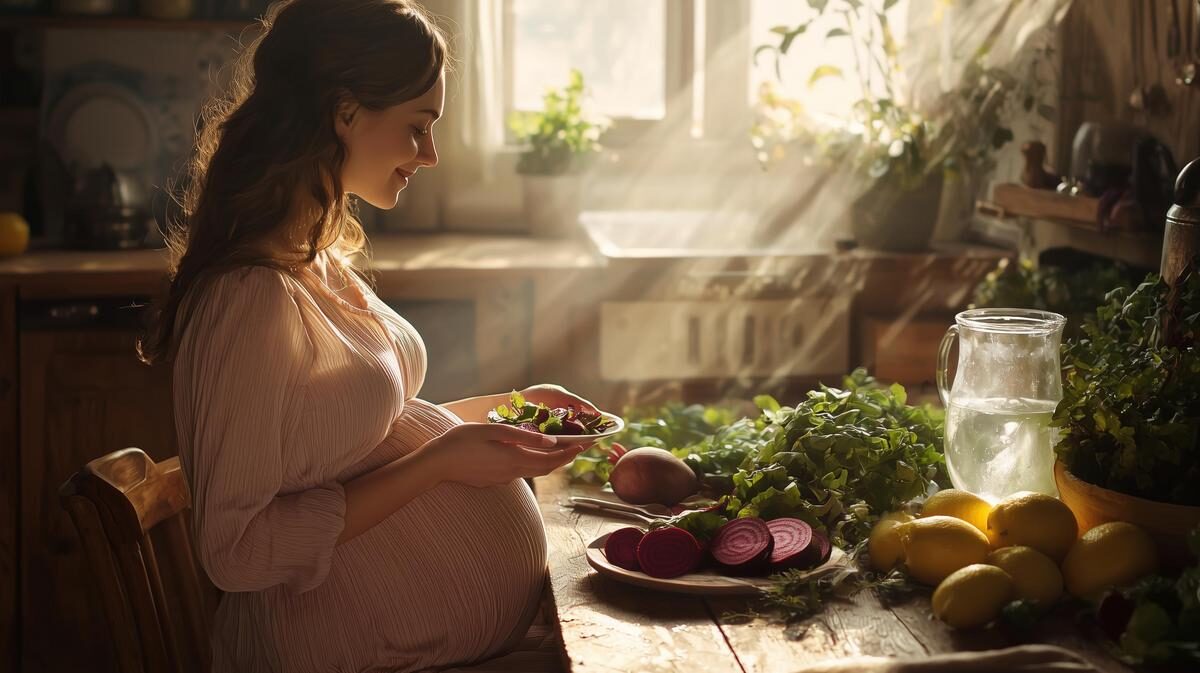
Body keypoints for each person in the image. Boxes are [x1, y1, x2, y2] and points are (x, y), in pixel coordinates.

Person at [137, 1, 590, 670]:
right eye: (417, 127)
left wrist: (506, 413)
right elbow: (236, 550)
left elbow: (360, 438)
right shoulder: (248, 298)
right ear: (344, 112)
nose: (429, 156)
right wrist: (440, 461)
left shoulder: (313, 260)